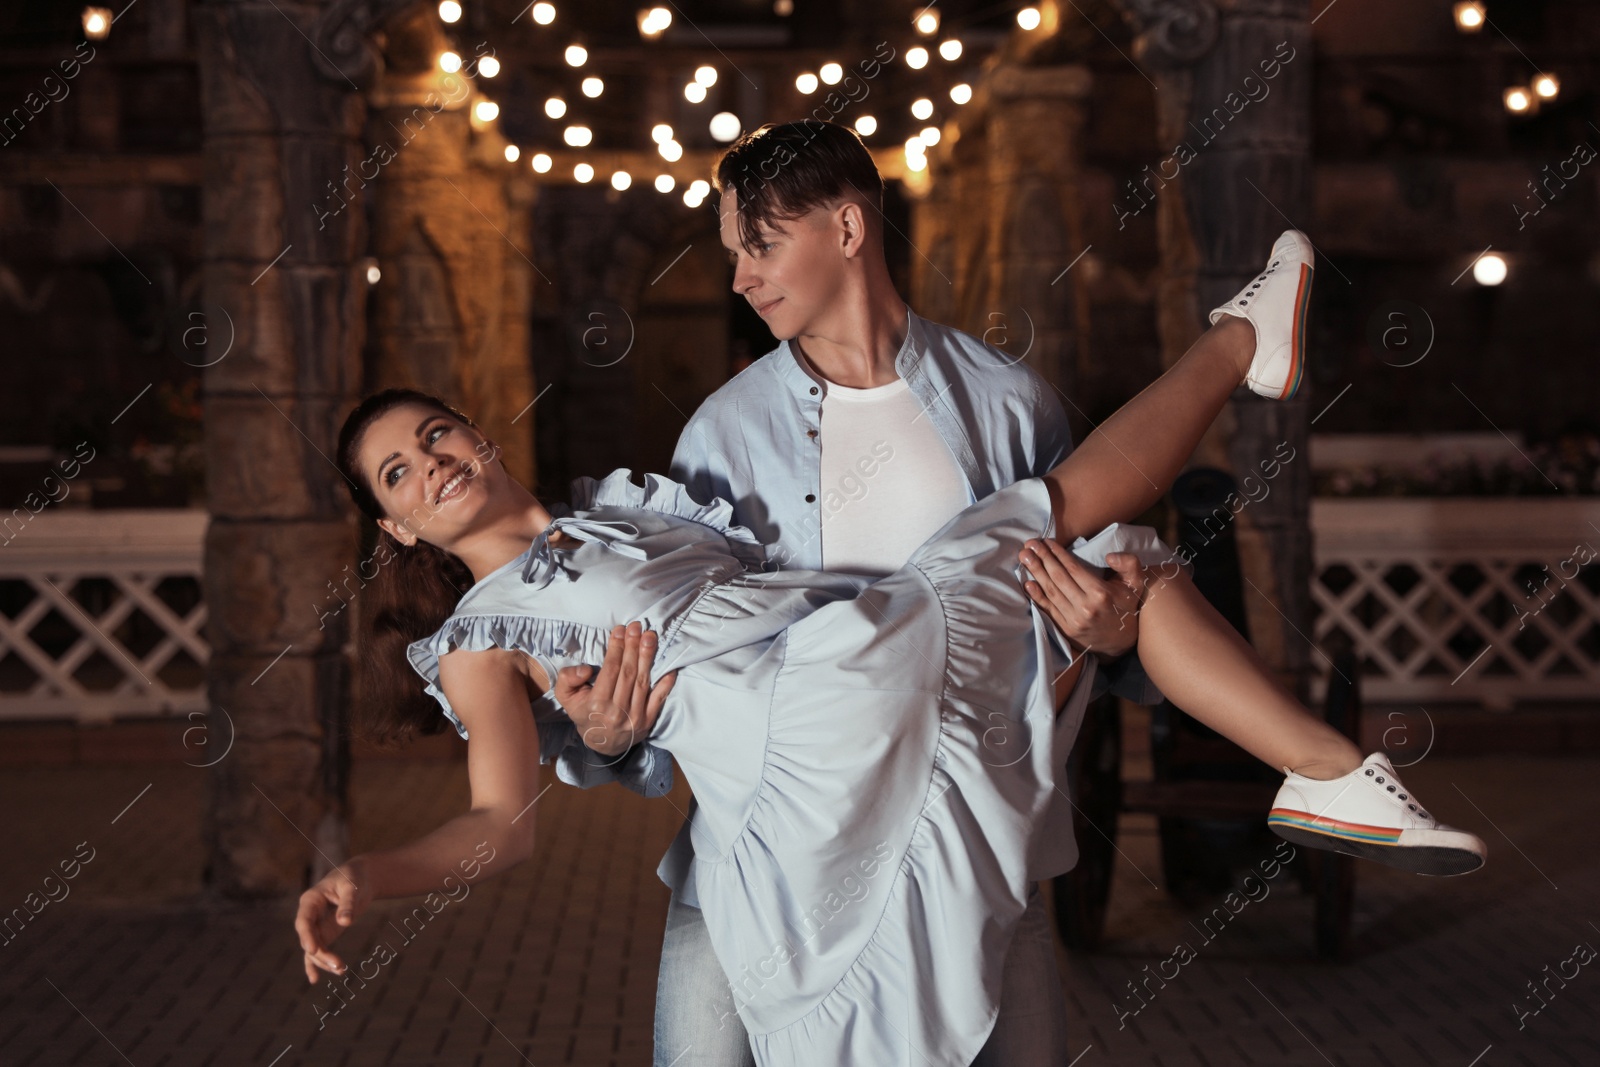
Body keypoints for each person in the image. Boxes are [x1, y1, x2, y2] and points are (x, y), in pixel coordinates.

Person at [294, 229, 1487, 1067]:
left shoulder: (641, 499)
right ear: (397, 523)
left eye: (435, 429)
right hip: (810, 729)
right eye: (399, 473)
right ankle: (1242, 343)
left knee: (1105, 550)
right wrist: (371, 876)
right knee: (1049, 520)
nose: (433, 459)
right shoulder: (478, 634)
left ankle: (1332, 775)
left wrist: (1099, 636)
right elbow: (502, 823)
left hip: (853, 673)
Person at [559, 120, 1155, 1067]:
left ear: (847, 229)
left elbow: (1090, 606)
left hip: (971, 857)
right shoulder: (722, 435)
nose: (739, 280)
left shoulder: (1009, 403)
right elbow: (683, 659)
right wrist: (609, 737)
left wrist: (1114, 632)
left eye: (759, 245)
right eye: (731, 254)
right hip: (756, 875)